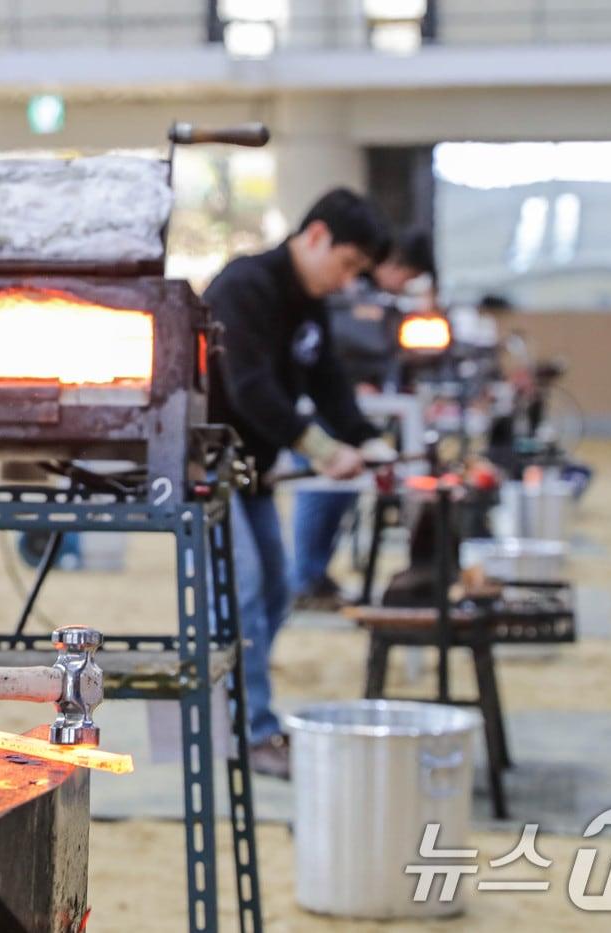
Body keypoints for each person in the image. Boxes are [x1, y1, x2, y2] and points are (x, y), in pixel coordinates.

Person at [203, 188, 394, 780]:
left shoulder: (309, 301)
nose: (345, 282)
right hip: (204, 466)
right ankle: (249, 730)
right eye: (347, 265)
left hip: (253, 471)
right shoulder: (245, 287)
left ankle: (235, 710)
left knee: (278, 591)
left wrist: (366, 438)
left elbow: (330, 381)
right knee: (246, 592)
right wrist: (320, 448)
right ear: (315, 237)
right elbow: (249, 387)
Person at [291, 228, 435, 610]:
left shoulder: (378, 304)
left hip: (349, 415)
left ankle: (315, 575)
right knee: (318, 493)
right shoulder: (342, 299)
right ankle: (305, 578)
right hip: (320, 414)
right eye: (407, 276)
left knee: (338, 497)